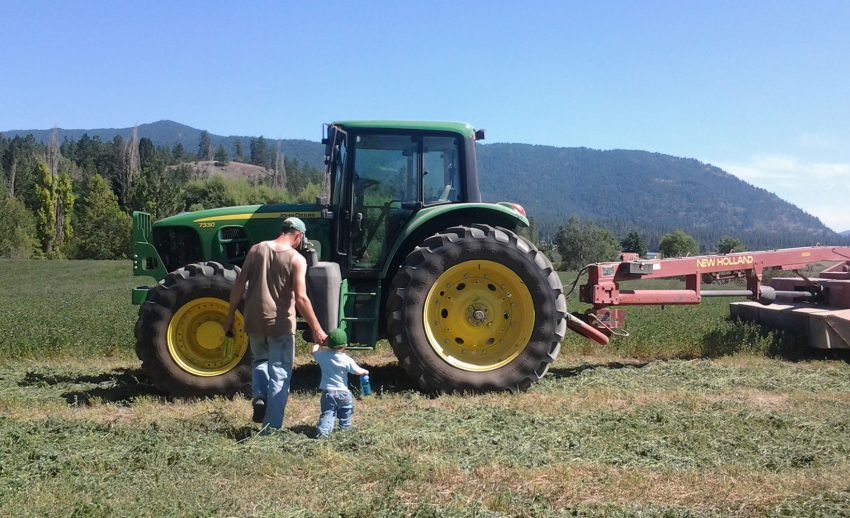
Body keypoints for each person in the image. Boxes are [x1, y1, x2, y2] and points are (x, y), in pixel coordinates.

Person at [224, 217, 327, 434]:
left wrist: (230, 315)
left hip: (253, 320)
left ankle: (259, 396)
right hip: (279, 324)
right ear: (298, 235)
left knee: (260, 361)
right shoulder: (297, 259)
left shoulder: (256, 249)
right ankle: (271, 428)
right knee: (280, 371)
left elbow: (240, 283)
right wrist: (317, 328)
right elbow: (301, 298)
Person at [311, 328, 368, 438]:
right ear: (345, 345)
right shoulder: (347, 359)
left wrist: (318, 343)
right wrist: (365, 371)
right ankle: (345, 431)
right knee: (346, 413)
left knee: (327, 413)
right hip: (344, 394)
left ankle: (323, 433)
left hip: (328, 393)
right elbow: (357, 371)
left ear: (328, 343)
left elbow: (313, 352)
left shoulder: (323, 356)